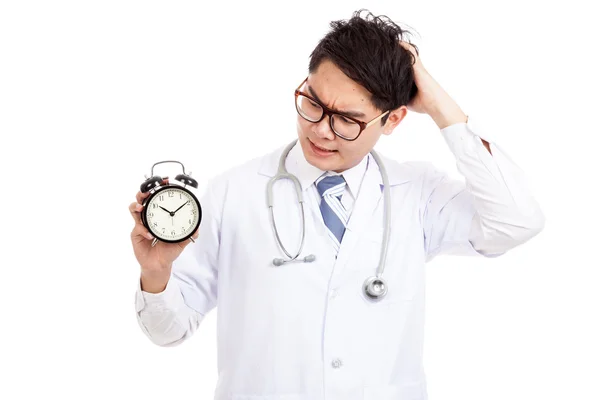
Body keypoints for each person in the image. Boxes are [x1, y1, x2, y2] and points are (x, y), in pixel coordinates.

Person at [129, 10, 544, 400]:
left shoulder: (416, 193)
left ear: (394, 120)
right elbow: (168, 331)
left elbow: (516, 221)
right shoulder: (231, 193)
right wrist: (156, 273)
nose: (320, 130)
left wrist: (437, 103)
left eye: (347, 119)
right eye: (312, 103)